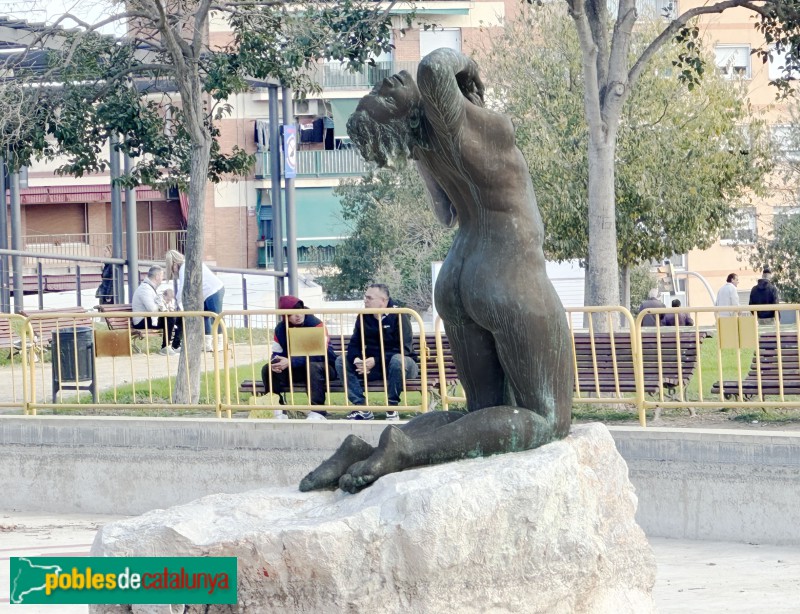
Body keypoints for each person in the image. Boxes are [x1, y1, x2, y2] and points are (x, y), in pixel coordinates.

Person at [301, 49, 572, 494]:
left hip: (460, 275)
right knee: (547, 418)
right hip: (508, 272)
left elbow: (445, 213)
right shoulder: (447, 120)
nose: (384, 85)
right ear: (406, 115)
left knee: (480, 411)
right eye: (382, 98)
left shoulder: (426, 147)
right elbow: (434, 66)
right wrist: (472, 68)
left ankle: (366, 450)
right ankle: (405, 450)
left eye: (378, 89)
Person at [335, 284, 418, 422]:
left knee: (398, 360)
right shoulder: (363, 317)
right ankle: (361, 407)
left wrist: (376, 360)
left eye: (369, 298)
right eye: (365, 297)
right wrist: (357, 360)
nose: (365, 301)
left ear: (383, 301)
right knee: (341, 360)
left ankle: (392, 408)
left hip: (402, 366)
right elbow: (354, 344)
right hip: (373, 367)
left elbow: (405, 349)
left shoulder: (400, 315)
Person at [261, 295, 337, 420]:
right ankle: (279, 409)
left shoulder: (316, 324)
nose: (298, 315)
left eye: (300, 310)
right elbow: (276, 352)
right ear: (285, 316)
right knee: (267, 369)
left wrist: (290, 362)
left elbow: (319, 354)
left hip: (324, 367)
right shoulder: (280, 329)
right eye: (292, 313)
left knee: (312, 367)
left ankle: (318, 412)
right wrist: (276, 363)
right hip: (297, 369)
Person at [165, 250, 225, 352]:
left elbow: (183, 289)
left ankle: (220, 343)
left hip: (213, 290)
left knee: (217, 317)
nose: (173, 271)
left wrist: (178, 304)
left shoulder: (185, 267)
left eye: (171, 267)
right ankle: (207, 343)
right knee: (203, 316)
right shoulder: (188, 265)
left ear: (174, 263)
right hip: (205, 293)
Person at [131, 265, 181, 355]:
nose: (162, 278)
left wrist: (165, 307)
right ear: (157, 277)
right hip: (141, 321)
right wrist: (164, 307)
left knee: (180, 318)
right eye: (162, 276)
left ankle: (175, 345)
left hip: (149, 318)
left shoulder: (149, 288)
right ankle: (165, 347)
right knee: (170, 317)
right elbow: (152, 309)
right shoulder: (145, 289)